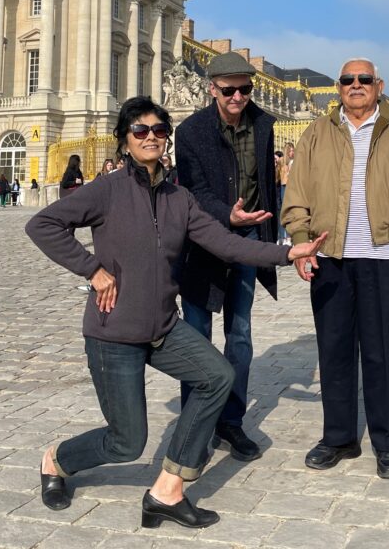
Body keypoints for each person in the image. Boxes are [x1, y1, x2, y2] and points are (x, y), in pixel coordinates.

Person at [26, 96, 326, 526]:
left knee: (217, 376)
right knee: (125, 443)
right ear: (125, 140)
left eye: (159, 130)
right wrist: (93, 270)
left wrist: (286, 251)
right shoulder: (106, 190)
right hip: (114, 332)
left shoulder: (179, 198)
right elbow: (42, 225)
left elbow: (226, 243)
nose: (151, 137)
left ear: (167, 138)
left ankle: (167, 489)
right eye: (141, 130)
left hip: (164, 328)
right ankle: (56, 460)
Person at [282, 57, 389, 479]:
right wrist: (300, 241)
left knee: (384, 352)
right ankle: (339, 437)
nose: (356, 85)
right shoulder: (316, 132)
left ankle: (387, 443)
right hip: (329, 255)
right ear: (338, 87)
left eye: (364, 79)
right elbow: (296, 191)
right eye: (348, 80)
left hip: (387, 256)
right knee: (333, 350)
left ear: (378, 85)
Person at [175, 51, 280, 462]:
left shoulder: (264, 125)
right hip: (203, 239)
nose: (238, 96)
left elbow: (268, 184)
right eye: (229, 89)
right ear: (212, 89)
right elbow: (193, 191)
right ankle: (195, 426)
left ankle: (231, 422)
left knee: (240, 334)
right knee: (196, 337)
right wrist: (226, 214)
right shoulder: (190, 131)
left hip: (249, 238)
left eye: (245, 88)